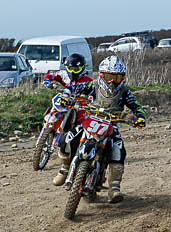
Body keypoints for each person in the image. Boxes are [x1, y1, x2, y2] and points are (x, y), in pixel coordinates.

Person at [59, 55, 146, 202]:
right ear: (101, 75)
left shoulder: (125, 91)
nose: (112, 81)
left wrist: (140, 118)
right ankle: (65, 168)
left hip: (111, 124)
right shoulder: (92, 85)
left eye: (117, 78)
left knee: (119, 149)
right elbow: (72, 89)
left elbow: (135, 105)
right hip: (91, 120)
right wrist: (67, 97)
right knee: (67, 137)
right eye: (109, 76)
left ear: (122, 78)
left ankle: (114, 187)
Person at [45, 54, 96, 186]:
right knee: (64, 138)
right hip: (69, 107)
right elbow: (64, 87)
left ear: (82, 68)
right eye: (71, 69)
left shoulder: (89, 81)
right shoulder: (67, 78)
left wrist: (89, 101)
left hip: (84, 114)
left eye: (76, 69)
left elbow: (95, 97)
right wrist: (49, 82)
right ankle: (64, 168)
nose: (73, 72)